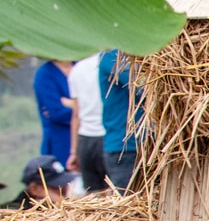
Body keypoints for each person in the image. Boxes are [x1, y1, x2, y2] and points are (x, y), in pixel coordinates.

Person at [99, 48, 139, 190]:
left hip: (146, 144)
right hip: (125, 148)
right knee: (132, 203)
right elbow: (141, 83)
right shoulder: (112, 55)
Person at [69, 51, 108, 193]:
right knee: (115, 192)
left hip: (85, 140)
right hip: (108, 137)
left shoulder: (77, 69)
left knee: (93, 194)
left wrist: (74, 151)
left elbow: (76, 115)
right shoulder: (111, 65)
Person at [33, 59, 73, 166]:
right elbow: (56, 112)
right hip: (59, 142)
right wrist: (82, 108)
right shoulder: (44, 74)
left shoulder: (82, 68)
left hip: (88, 139)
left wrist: (71, 104)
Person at [4, 156, 78, 209]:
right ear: (35, 189)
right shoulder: (14, 215)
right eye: (58, 186)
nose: (65, 190)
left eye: (65, 184)